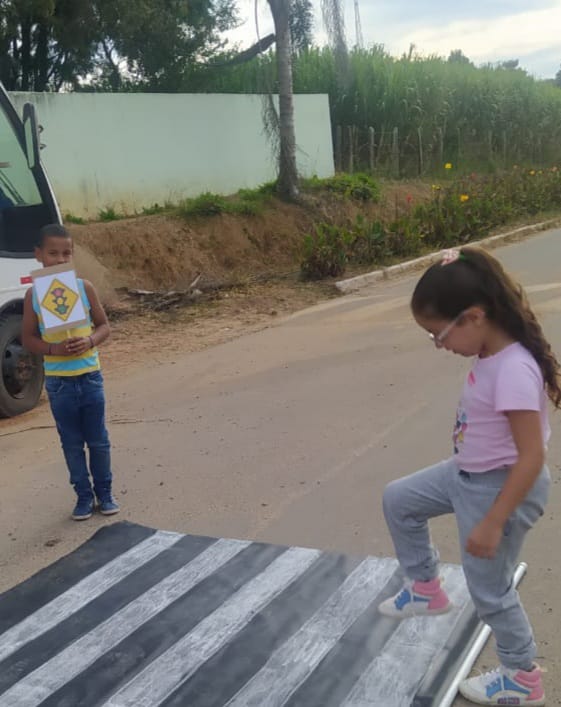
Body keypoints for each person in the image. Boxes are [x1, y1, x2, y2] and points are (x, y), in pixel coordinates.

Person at [379, 247, 559, 706]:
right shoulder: (491, 355)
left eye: (438, 334)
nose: (438, 345)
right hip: (466, 474)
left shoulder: (514, 370)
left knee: (490, 592)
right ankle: (425, 588)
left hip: (500, 488)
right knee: (399, 499)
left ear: (474, 317)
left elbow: (531, 457)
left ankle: (521, 676)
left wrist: (494, 521)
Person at [22, 223, 119, 521]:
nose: (60, 259)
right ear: (38, 255)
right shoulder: (33, 296)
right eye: (53, 253)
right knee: (72, 444)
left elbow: (104, 326)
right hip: (59, 383)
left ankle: (105, 493)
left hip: (90, 377)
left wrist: (89, 341)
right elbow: (28, 338)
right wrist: (54, 349)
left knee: (98, 441)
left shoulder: (83, 287)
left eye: (66, 253)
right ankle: (83, 496)